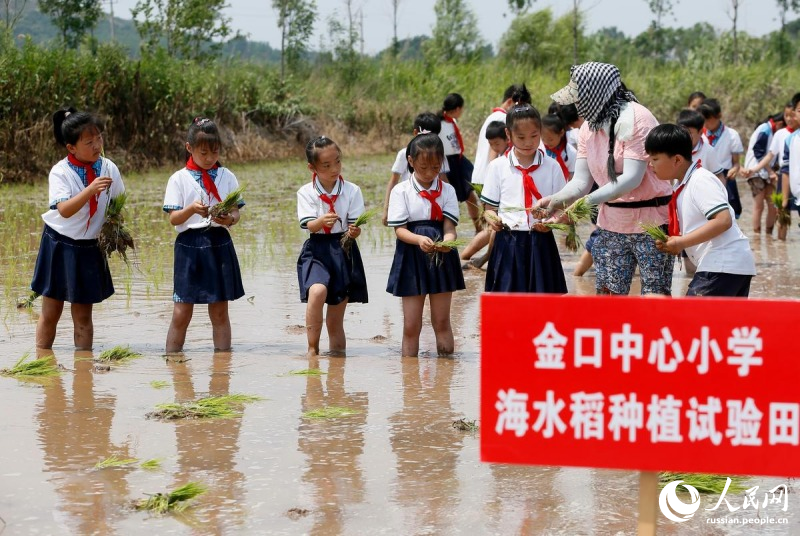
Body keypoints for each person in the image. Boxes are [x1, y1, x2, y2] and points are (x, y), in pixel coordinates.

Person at [540, 62, 674, 295]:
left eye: (579, 98)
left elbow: (631, 179)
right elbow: (581, 181)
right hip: (611, 225)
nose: (576, 106)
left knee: (655, 298)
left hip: (651, 224)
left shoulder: (638, 119)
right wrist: (556, 200)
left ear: (597, 93)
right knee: (608, 298)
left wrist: (580, 206)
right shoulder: (588, 129)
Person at [31, 108, 125, 350]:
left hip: (89, 247)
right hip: (60, 244)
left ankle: (84, 373)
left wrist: (115, 229)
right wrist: (90, 190)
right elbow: (64, 210)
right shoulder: (60, 172)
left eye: (99, 139)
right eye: (89, 142)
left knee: (83, 317)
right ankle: (42, 360)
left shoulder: (109, 168)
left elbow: (117, 205)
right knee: (51, 312)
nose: (97, 146)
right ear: (71, 147)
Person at [163, 117, 245, 353]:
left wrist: (228, 220)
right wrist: (190, 210)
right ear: (189, 148)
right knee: (181, 311)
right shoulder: (178, 179)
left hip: (219, 243)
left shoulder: (227, 176)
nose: (210, 158)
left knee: (219, 311)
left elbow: (235, 213)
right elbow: (173, 218)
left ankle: (222, 368)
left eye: (215, 152)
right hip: (189, 246)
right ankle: (173, 363)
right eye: (204, 153)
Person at [646, 124, 756, 297]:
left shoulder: (700, 180)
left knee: (690, 320)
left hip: (721, 265)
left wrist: (681, 242)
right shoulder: (684, 184)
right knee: (720, 324)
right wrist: (675, 242)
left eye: (655, 159)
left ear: (677, 160)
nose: (651, 165)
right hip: (727, 265)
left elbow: (723, 220)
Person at [386, 133, 465, 357]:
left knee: (442, 322)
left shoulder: (448, 191)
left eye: (435, 167)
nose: (430, 173)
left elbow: (449, 228)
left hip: (442, 258)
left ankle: (446, 381)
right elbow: (399, 230)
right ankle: (410, 384)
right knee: (411, 325)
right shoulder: (401, 191)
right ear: (410, 162)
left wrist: (447, 244)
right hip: (411, 256)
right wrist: (419, 239)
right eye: (423, 167)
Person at [481, 103, 568, 293]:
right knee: (507, 303)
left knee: (544, 303)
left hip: (542, 241)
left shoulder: (552, 167)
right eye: (521, 137)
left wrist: (551, 223)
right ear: (508, 134)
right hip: (507, 242)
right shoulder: (497, 167)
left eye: (534, 136)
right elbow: (489, 209)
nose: (528, 142)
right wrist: (493, 220)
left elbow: (563, 210)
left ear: (541, 132)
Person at [297, 136, 368, 357]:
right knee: (317, 292)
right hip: (317, 249)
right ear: (312, 167)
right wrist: (320, 222)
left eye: (337, 162)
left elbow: (354, 225)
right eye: (326, 165)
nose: (334, 169)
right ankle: (312, 350)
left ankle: (338, 368)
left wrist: (354, 231)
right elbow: (308, 225)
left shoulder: (352, 190)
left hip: (343, 250)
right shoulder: (306, 192)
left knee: (335, 320)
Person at [382, 112, 450, 226]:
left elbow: (444, 178)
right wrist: (386, 209)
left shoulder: (440, 155)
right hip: (409, 200)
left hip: (433, 200)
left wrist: (449, 200)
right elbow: (393, 180)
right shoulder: (403, 154)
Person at [461, 120, 508, 269]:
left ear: (508, 138)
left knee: (491, 228)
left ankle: (466, 256)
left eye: (496, 144)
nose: (494, 148)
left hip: (490, 186)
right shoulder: (503, 156)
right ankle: (482, 256)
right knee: (493, 227)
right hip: (491, 189)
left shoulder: (510, 154)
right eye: (491, 145)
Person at [438, 93, 481, 230]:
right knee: (449, 198)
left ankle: (479, 228)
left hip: (459, 160)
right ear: (457, 109)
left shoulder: (452, 121)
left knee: (471, 193)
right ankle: (448, 230)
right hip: (447, 162)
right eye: (461, 109)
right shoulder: (439, 123)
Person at [698, 98, 744, 219]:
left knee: (729, 214)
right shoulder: (699, 136)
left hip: (725, 177)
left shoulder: (732, 135)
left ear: (719, 115)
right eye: (703, 119)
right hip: (704, 177)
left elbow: (736, 163)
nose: (706, 123)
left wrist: (735, 169)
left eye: (709, 119)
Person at [742, 112, 785, 235]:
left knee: (773, 206)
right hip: (756, 171)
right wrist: (771, 171)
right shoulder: (765, 129)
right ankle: (756, 237)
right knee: (759, 205)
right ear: (779, 124)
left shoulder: (771, 131)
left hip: (767, 171)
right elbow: (759, 152)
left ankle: (768, 236)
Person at [676, 109, 723, 179]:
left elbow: (719, 176)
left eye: (689, 132)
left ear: (700, 132)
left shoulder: (708, 151)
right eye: (682, 132)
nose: (684, 135)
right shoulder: (674, 150)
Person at [541, 113, 577, 180]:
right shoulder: (539, 148)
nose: (546, 143)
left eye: (550, 139)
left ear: (561, 133)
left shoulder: (571, 153)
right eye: (543, 139)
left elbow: (571, 176)